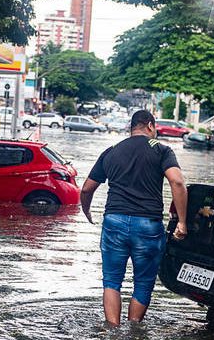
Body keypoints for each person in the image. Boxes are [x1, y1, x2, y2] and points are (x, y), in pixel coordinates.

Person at [80, 109, 188, 326]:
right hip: (147, 225)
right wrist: (183, 222)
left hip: (114, 221)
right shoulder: (161, 150)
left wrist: (87, 210)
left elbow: (86, 189)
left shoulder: (111, 151)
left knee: (111, 281)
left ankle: (113, 330)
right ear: (150, 125)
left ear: (132, 127)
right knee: (143, 283)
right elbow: (177, 182)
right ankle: (133, 330)